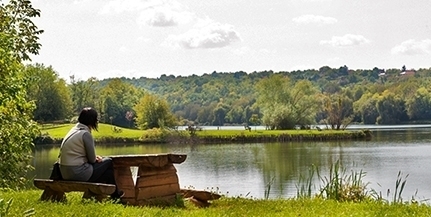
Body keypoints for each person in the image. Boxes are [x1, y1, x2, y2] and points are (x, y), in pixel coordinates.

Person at [59, 107, 123, 199]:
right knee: (108, 161)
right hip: (77, 173)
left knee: (108, 174)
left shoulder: (73, 131)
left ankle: (115, 196)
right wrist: (98, 159)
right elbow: (92, 160)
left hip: (64, 173)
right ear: (92, 120)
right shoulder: (85, 134)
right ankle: (116, 196)